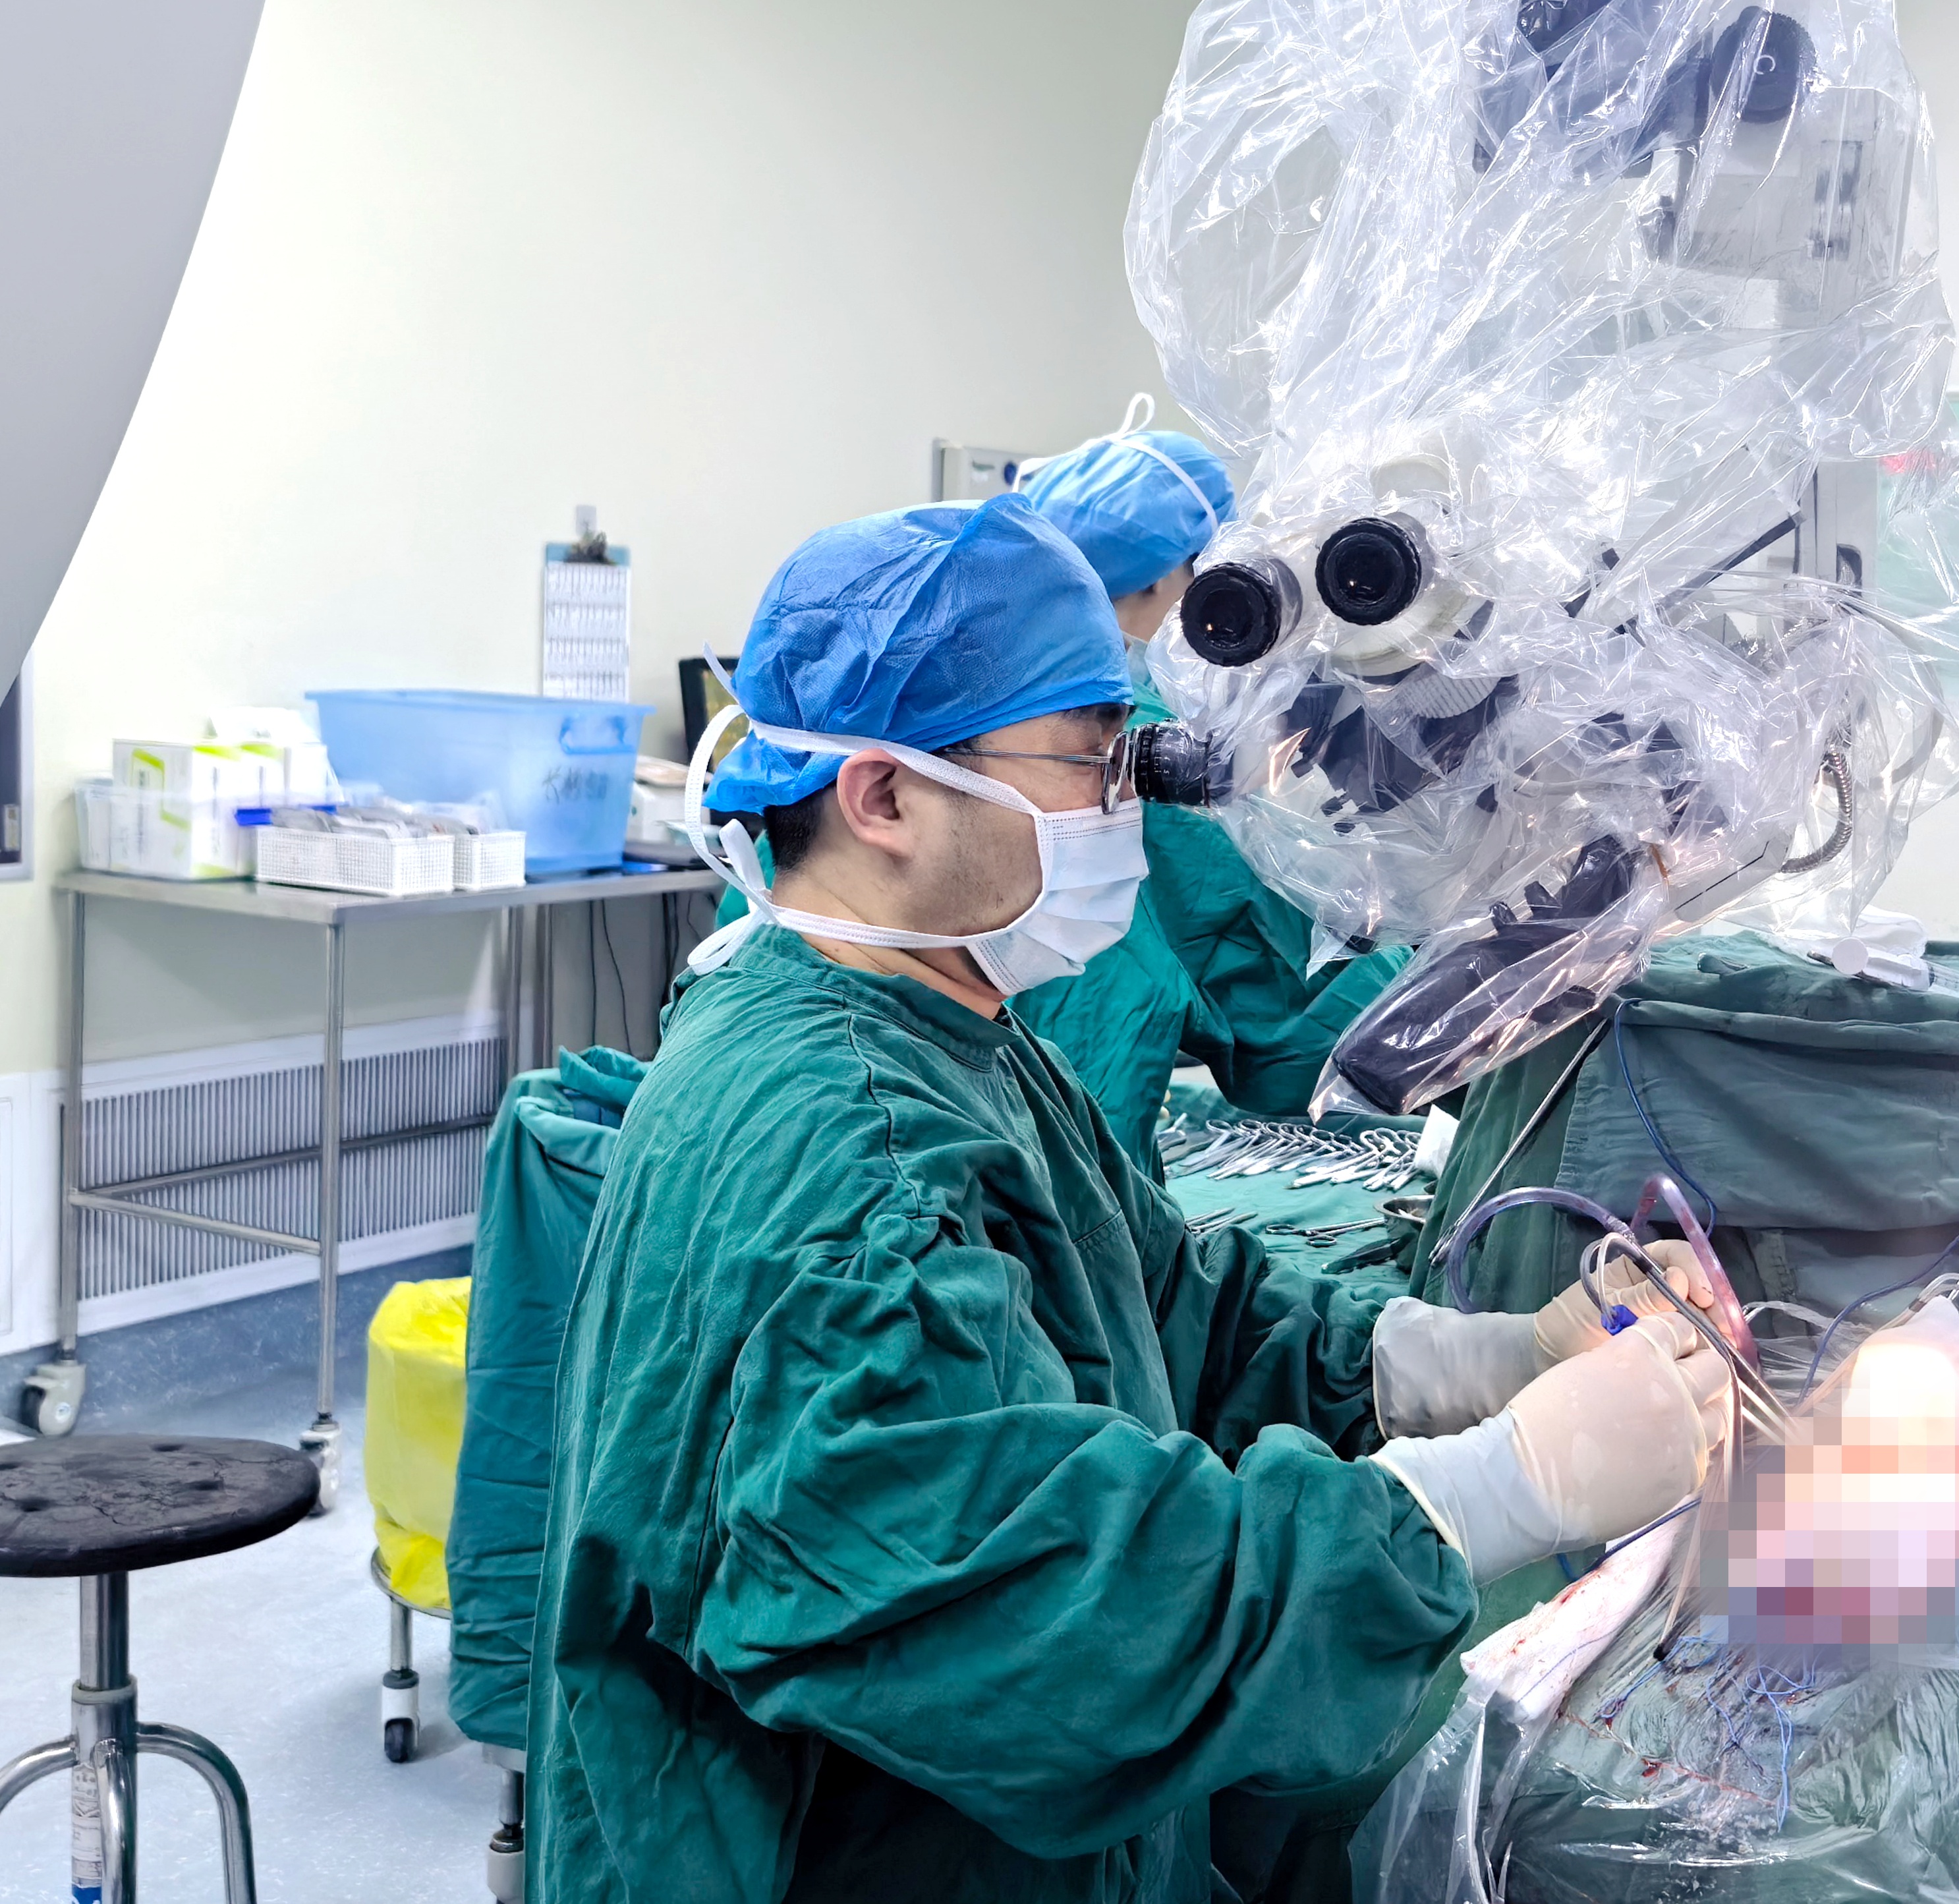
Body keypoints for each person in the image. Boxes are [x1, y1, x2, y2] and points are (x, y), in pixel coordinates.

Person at [529, 492, 1730, 1902]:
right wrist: (1490, 1492)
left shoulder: (945, 1032)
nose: (1126, 809)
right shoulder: (849, 1158)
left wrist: (1485, 1359)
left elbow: (1160, 1305)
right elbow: (1040, 1617)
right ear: (883, 796)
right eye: (1091, 762)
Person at [1014, 414, 1410, 1168]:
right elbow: (1304, 1038)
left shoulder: (971, 718)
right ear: (1168, 577)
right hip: (1068, 1165)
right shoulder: (1159, 755)